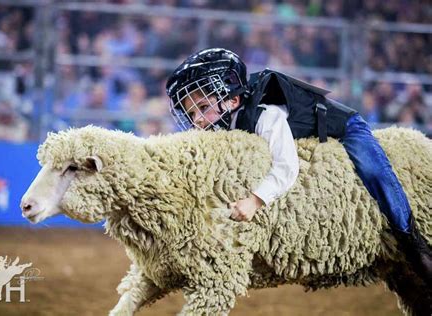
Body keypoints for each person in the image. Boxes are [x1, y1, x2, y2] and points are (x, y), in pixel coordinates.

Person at [165, 47, 431, 285]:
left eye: (201, 107)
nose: (196, 120)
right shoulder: (227, 126)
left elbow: (286, 167)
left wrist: (254, 201)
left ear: (232, 100)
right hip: (310, 138)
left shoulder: (266, 114)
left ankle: (411, 239)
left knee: (375, 173)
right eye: (191, 113)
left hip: (346, 128)